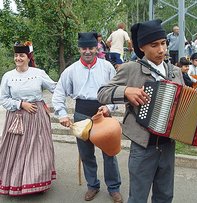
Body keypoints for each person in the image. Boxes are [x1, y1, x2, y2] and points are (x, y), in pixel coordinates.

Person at [97, 19, 185, 203]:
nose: (161, 50)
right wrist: (126, 91)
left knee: (165, 195)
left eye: (163, 43)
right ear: (142, 47)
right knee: (138, 197)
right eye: (154, 45)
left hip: (168, 145)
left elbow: (184, 102)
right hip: (143, 146)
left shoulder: (174, 71)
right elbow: (102, 93)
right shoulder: (130, 69)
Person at [52, 32, 123, 203]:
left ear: (96, 48)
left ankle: (114, 188)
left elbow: (115, 92)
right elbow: (58, 93)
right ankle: (93, 185)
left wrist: (109, 106)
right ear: (79, 49)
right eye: (84, 48)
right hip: (82, 114)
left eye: (91, 48)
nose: (88, 51)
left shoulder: (107, 67)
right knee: (86, 154)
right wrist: (62, 114)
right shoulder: (71, 70)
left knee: (109, 153)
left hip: (103, 113)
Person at [0, 41, 56, 195]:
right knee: (15, 151)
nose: (18, 58)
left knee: (38, 149)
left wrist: (70, 86)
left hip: (37, 117)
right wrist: (21, 104)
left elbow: (55, 88)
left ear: (28, 57)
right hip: (16, 118)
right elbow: (3, 99)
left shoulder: (38, 73)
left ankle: (37, 182)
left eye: (22, 55)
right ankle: (15, 181)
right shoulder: (8, 76)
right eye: (16, 55)